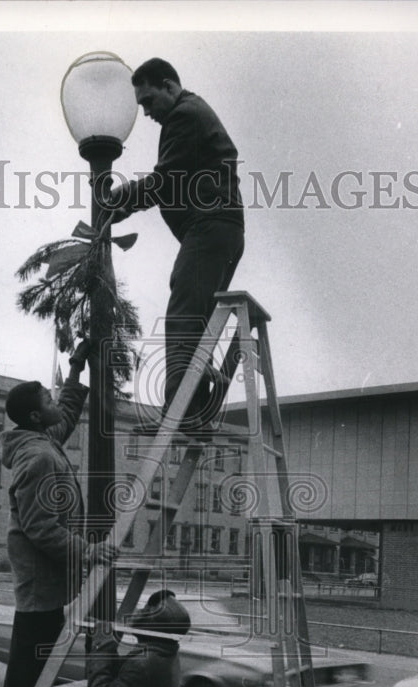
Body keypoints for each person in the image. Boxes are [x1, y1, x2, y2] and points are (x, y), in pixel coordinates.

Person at [103, 57, 245, 430]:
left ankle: (179, 414)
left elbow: (164, 182)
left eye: (149, 101)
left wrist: (116, 203)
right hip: (220, 231)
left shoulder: (185, 115)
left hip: (211, 228)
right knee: (193, 319)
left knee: (183, 316)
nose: (147, 112)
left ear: (169, 86)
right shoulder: (191, 112)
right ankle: (192, 409)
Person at [0, 339, 114, 687]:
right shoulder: (38, 458)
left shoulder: (44, 439)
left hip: (48, 571)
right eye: (47, 399)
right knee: (29, 657)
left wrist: (76, 370)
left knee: (41, 653)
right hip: (38, 571)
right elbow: (39, 527)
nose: (54, 401)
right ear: (34, 416)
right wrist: (87, 551)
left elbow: (66, 414)